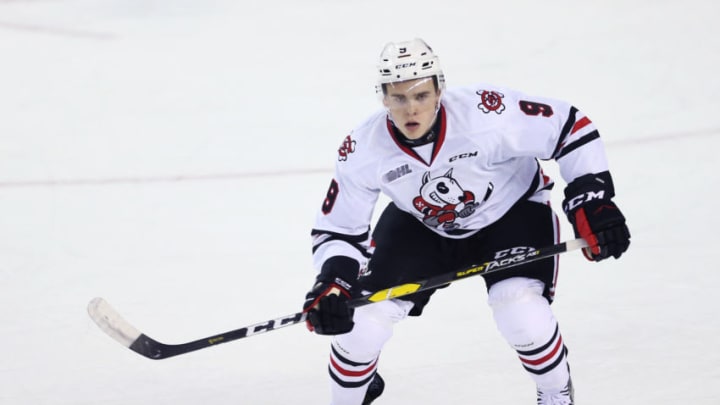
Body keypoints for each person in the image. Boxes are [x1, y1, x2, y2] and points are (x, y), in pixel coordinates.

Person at [302, 38, 630, 405]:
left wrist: (592, 201)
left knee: (519, 310)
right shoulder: (362, 149)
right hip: (422, 225)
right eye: (398, 98)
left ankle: (556, 395)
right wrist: (332, 283)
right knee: (360, 326)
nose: (411, 109)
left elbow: (569, 127)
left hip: (512, 213)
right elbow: (339, 229)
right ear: (382, 97)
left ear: (439, 89)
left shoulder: (486, 113)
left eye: (421, 96)